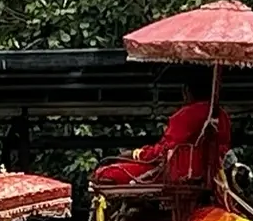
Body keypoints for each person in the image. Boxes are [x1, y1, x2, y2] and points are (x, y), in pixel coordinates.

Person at [92, 69, 231, 191]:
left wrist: (136, 154)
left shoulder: (186, 115)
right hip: (213, 175)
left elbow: (163, 153)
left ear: (187, 91)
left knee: (104, 172)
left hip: (174, 175)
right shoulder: (221, 116)